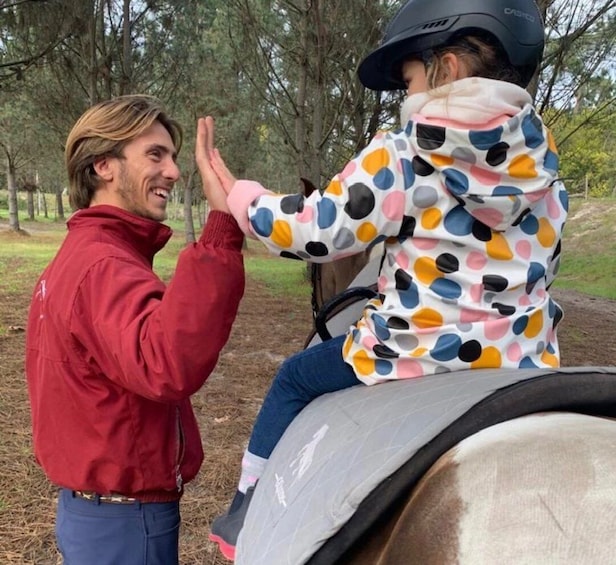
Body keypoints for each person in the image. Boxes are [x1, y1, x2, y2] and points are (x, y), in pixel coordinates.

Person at [203, 0, 568, 559]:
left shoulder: (406, 153)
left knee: (295, 379)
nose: (407, 95)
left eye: (410, 79)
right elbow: (540, 269)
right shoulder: (546, 173)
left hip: (408, 350)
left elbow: (315, 231)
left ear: (446, 69)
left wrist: (240, 197)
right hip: (523, 360)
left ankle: (247, 512)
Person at [25, 95, 245, 564]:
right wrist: (221, 228)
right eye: (155, 154)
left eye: (172, 157)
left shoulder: (78, 258)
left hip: (91, 515)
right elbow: (167, 362)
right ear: (103, 165)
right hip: (124, 524)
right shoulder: (104, 265)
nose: (173, 172)